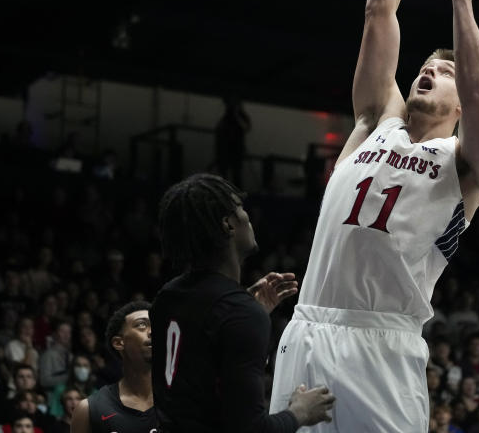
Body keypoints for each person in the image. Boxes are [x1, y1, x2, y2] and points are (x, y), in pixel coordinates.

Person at [269, 0, 479, 433]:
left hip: (383, 343)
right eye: (426, 65)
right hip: (309, 329)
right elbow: (380, 11)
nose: (429, 71)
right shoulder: (377, 120)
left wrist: (461, 1)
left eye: (443, 71)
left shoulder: (469, 160)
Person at [151, 174, 334, 433]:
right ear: (228, 225)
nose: (248, 217)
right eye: (241, 209)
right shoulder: (240, 313)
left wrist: (242, 305)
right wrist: (299, 413)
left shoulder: (167, 297)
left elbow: (198, 366)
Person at [70, 302, 154, 433]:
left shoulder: (182, 400)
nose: (152, 331)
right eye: (142, 324)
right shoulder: (90, 409)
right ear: (119, 343)